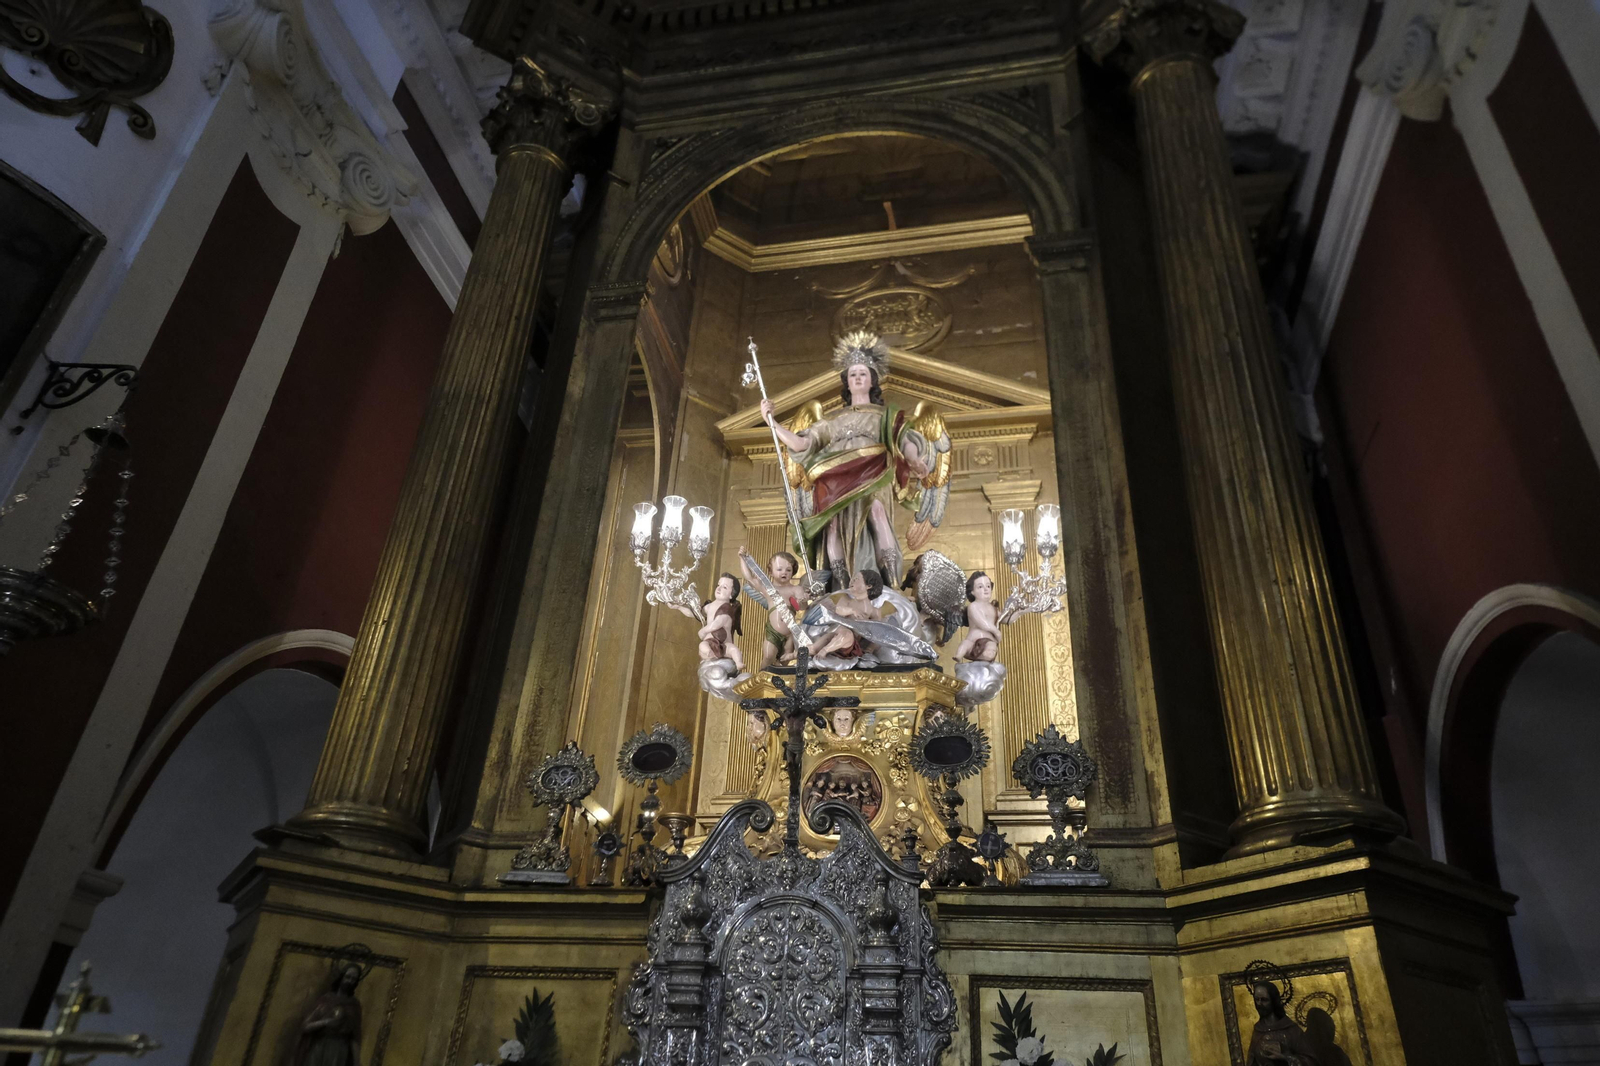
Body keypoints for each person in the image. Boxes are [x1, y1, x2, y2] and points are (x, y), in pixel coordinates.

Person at [760, 331, 948, 589]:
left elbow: (903, 438)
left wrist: (914, 459)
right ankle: (840, 584)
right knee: (833, 525)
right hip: (834, 479)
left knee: (878, 513)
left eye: (863, 373)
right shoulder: (833, 420)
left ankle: (891, 582)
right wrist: (772, 423)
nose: (857, 378)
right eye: (852, 374)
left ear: (872, 380)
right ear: (846, 383)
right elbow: (803, 444)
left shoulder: (885, 415)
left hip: (873, 473)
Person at [738, 548, 810, 666]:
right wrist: (742, 558)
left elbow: (802, 607)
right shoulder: (768, 589)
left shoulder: (796, 589)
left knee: (785, 660)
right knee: (768, 657)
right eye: (779, 569)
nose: (784, 572)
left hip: (790, 633)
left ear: (793, 571)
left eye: (788, 570)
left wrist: (803, 600)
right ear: (771, 572)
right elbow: (749, 577)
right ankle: (762, 680)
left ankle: (780, 681)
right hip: (773, 631)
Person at [293, 963, 364, 1066]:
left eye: (353, 979)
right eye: (348, 977)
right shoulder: (326, 1000)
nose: (349, 981)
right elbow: (306, 1026)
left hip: (340, 1050)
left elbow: (355, 1036)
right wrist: (326, 1022)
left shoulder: (354, 1005)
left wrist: (356, 1062)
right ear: (342, 977)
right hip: (320, 1045)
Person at [811, 570, 884, 661]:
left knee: (848, 635)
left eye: (856, 579)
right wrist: (852, 610)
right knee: (813, 649)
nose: (852, 581)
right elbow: (838, 610)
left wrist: (869, 650)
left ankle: (825, 651)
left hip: (851, 645)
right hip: (835, 635)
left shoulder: (874, 611)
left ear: (868, 586)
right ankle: (793, 655)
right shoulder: (846, 599)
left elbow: (878, 636)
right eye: (852, 578)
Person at [1246, 981, 1321, 1066]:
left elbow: (1311, 1062)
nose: (1259, 1004)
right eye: (1257, 999)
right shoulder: (1258, 1030)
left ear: (1273, 1001)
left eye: (1264, 1000)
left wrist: (1285, 1058)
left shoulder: (1291, 1029)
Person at [697, 573, 744, 670]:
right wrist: (679, 607)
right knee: (702, 645)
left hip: (724, 644)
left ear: (731, 594)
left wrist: (703, 631)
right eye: (718, 585)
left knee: (733, 649)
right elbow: (696, 613)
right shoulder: (710, 606)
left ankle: (739, 663)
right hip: (710, 642)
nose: (718, 589)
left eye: (724, 587)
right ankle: (710, 654)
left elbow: (718, 623)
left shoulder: (727, 608)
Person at [954, 572, 1001, 662]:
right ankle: (958, 656)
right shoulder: (973, 606)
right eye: (980, 587)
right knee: (965, 644)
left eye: (988, 586)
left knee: (991, 647)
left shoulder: (993, 608)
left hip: (989, 642)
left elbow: (1005, 618)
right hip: (974, 640)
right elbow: (982, 623)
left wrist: (1019, 611)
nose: (986, 589)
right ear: (972, 592)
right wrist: (996, 631)